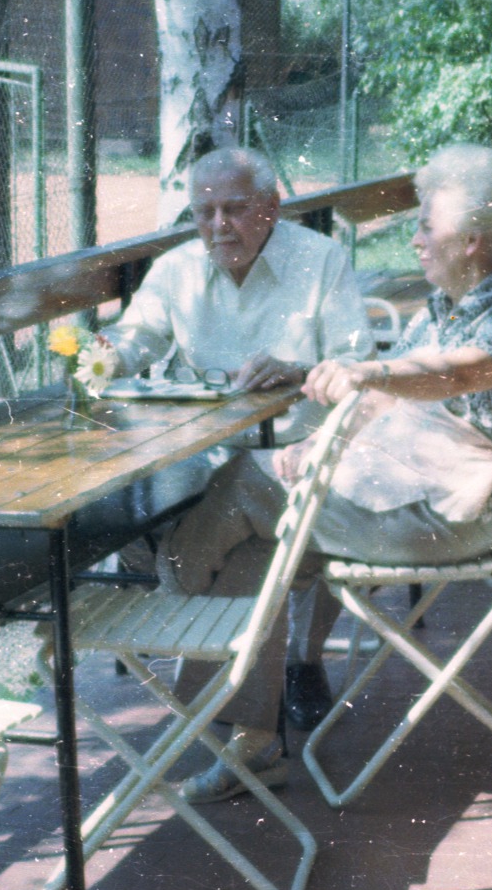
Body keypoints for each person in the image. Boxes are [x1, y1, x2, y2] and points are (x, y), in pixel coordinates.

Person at [160, 143, 492, 804]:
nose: (415, 237)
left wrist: (366, 373)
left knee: (237, 485)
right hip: (423, 497)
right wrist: (318, 430)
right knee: (256, 540)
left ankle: (171, 621)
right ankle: (252, 744)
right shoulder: (449, 304)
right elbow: (382, 396)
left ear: (473, 242)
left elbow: (454, 372)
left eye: (427, 226)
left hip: (456, 518)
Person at [104, 146, 372, 729]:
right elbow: (136, 337)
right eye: (204, 212)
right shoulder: (177, 270)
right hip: (208, 464)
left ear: (272, 207)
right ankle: (255, 699)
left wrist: (302, 373)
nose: (218, 225)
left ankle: (288, 664)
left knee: (271, 520)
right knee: (241, 544)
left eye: (235, 208)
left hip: (304, 461)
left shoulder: (321, 261)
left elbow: (358, 364)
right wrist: (108, 355)